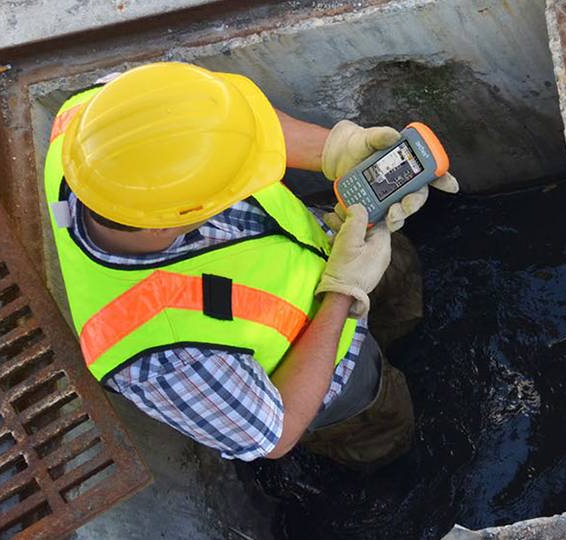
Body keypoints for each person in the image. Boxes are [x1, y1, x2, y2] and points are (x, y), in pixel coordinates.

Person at [43, 62, 458, 468]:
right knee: (387, 426)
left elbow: (228, 119)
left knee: (402, 279)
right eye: (232, 179)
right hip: (333, 373)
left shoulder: (101, 115)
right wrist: (343, 294)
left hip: (331, 244)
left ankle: (399, 326)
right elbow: (277, 431)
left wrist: (335, 151)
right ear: (179, 216)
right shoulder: (160, 360)